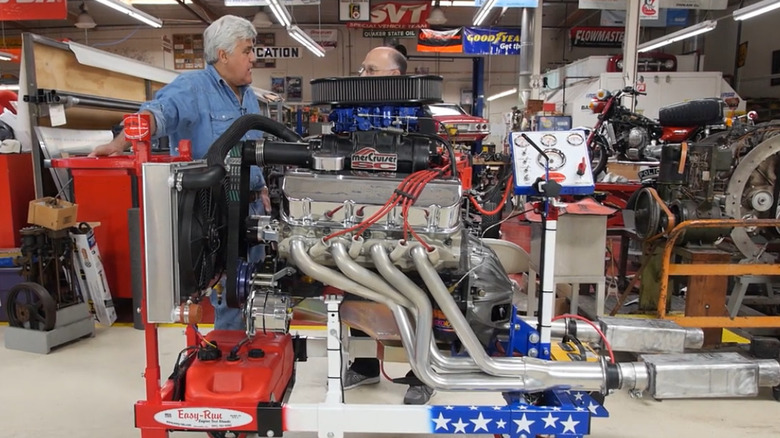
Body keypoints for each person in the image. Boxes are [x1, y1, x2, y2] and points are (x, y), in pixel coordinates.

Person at [89, 15, 269, 330]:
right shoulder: (192, 88)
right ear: (223, 55)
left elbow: (253, 144)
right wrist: (122, 141)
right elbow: (158, 113)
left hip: (251, 205)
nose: (254, 58)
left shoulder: (248, 93)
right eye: (247, 50)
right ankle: (229, 360)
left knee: (251, 284)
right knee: (229, 293)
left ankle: (251, 352)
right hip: (214, 209)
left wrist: (262, 188)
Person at [343, 46, 435, 405]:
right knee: (356, 280)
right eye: (363, 69)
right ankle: (365, 364)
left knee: (417, 288)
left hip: (407, 218)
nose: (362, 76)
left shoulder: (420, 117)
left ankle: (421, 372)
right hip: (361, 212)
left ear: (394, 77)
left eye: (370, 70)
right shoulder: (351, 114)